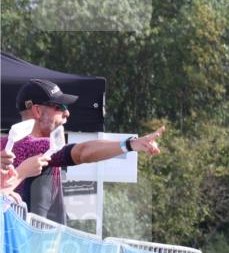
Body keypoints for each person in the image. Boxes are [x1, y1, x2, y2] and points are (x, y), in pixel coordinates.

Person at [3, 79, 164, 223]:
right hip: (36, 248)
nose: (67, 113)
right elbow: (82, 152)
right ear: (37, 111)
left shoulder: (4, 144)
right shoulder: (40, 147)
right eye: (60, 107)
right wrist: (131, 145)